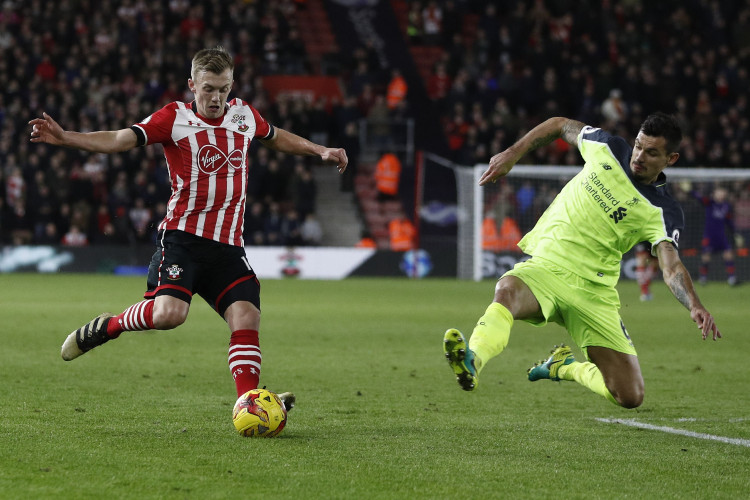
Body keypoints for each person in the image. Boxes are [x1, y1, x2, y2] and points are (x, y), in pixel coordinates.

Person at [29, 46, 348, 420]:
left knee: (246, 316)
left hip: (228, 247)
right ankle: (109, 326)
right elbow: (118, 140)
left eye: (223, 89)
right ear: (192, 85)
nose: (216, 98)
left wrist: (318, 150)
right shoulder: (173, 118)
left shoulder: (244, 115)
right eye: (208, 89)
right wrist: (67, 137)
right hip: (183, 239)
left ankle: (248, 403)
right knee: (170, 315)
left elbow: (275, 136)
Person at [443, 113, 720, 409]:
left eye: (651, 152)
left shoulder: (663, 210)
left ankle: (564, 367)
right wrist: (512, 154)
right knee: (507, 291)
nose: (639, 156)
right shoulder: (607, 148)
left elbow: (671, 265)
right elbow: (559, 124)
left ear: (671, 158)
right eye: (639, 146)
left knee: (629, 396)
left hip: (594, 293)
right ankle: (474, 358)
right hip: (547, 267)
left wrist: (694, 304)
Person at [692, 186, 737, 285]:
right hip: (709, 236)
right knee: (706, 257)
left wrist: (735, 233)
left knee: (728, 255)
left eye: (722, 192)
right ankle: (703, 277)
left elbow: (729, 221)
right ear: (714, 194)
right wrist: (691, 191)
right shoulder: (710, 203)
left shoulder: (726, 206)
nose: (721, 194)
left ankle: (732, 278)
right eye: (719, 192)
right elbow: (699, 198)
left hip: (721, 236)